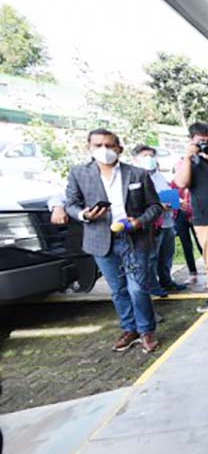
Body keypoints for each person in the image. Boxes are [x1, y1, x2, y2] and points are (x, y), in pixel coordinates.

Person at [64, 129, 163, 354]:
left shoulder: (137, 174)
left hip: (134, 239)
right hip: (100, 240)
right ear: (89, 148)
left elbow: (155, 206)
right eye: (98, 145)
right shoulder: (79, 173)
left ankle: (146, 331)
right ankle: (130, 329)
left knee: (138, 288)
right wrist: (84, 215)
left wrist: (139, 222)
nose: (104, 150)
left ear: (119, 148)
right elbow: (71, 203)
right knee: (118, 289)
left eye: (109, 145)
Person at [174, 122, 208, 312]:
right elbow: (181, 182)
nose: (204, 145)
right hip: (205, 216)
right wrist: (189, 157)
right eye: (200, 141)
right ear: (191, 141)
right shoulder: (188, 162)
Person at [133, 145, 186, 296]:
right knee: (151, 256)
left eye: (152, 156)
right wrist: (159, 206)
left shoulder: (157, 175)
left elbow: (166, 192)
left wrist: (176, 202)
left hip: (167, 221)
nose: (149, 159)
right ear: (135, 159)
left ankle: (166, 281)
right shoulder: (135, 176)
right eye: (145, 156)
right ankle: (153, 286)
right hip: (152, 224)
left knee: (166, 254)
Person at [170, 163, 200, 285]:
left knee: (202, 243)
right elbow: (170, 201)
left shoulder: (197, 180)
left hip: (197, 215)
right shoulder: (174, 183)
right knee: (186, 245)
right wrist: (178, 204)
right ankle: (192, 272)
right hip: (180, 216)